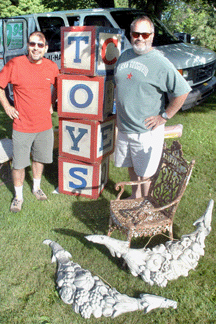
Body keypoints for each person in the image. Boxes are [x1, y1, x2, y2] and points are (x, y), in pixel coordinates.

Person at [114, 16, 192, 199]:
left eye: (145, 33)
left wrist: (164, 116)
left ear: (152, 35)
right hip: (124, 128)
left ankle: (146, 206)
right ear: (130, 34)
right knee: (131, 166)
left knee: (146, 174)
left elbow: (182, 90)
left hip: (146, 131)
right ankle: (135, 197)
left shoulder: (160, 62)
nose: (140, 38)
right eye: (136, 33)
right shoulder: (124, 56)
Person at [0, 31, 59, 212]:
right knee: (18, 163)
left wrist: (52, 103)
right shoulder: (15, 64)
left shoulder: (51, 66)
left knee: (40, 158)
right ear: (28, 45)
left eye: (40, 45)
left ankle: (36, 187)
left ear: (46, 48)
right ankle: (18, 196)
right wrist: (7, 108)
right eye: (32, 44)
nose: (36, 48)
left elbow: (58, 86)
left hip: (44, 125)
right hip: (22, 125)